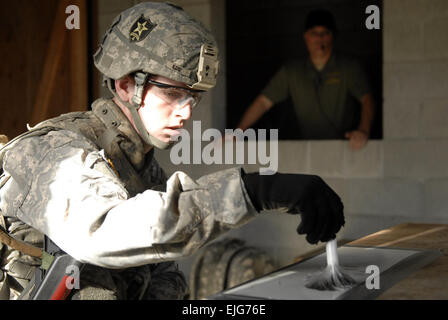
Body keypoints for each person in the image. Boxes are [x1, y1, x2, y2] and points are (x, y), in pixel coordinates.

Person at [0, 2, 344, 300]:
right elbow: (104, 232)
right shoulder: (54, 151)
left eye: (192, 97)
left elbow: (161, 273)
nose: (187, 112)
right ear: (125, 86)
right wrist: (256, 191)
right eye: (173, 95)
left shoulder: (140, 167)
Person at [236, 9, 375, 150]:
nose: (320, 39)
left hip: (345, 146)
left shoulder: (349, 66)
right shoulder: (292, 70)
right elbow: (264, 102)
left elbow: (366, 99)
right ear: (306, 36)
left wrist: (363, 131)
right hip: (307, 148)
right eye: (314, 33)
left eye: (325, 33)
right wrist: (238, 132)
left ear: (333, 36)